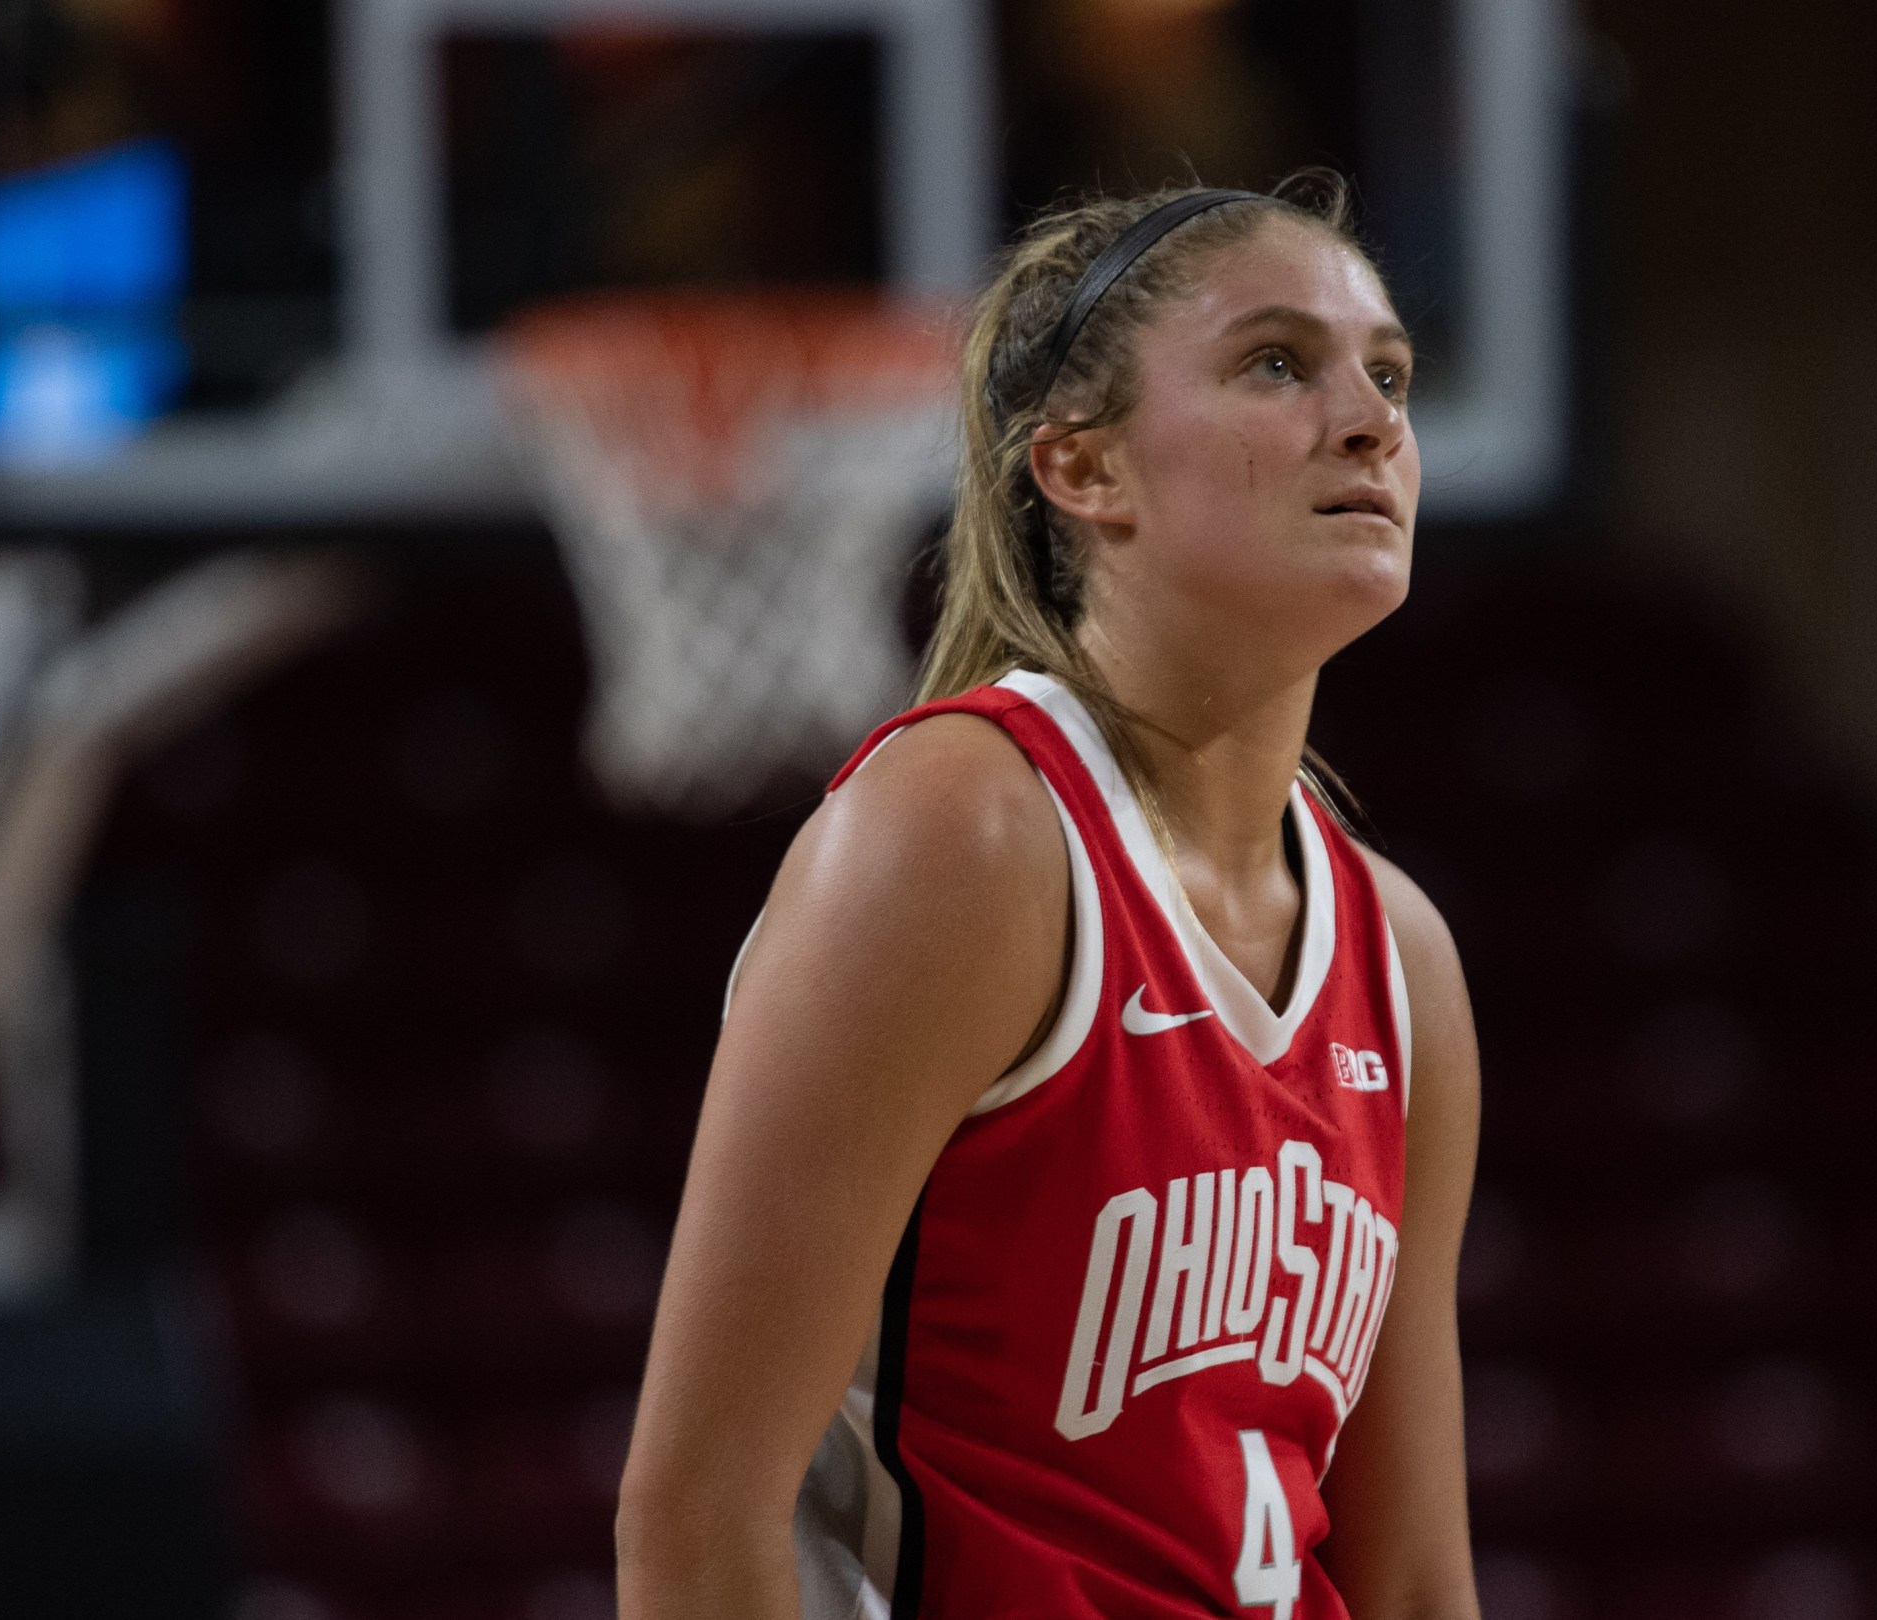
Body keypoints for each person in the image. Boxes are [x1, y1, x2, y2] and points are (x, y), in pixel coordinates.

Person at [616, 177, 1482, 1620]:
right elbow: (696, 1523)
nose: (1371, 418)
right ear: (1081, 469)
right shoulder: (962, 838)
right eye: (1278, 363)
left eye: (1388, 374)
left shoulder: (1401, 959)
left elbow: (1408, 1578)